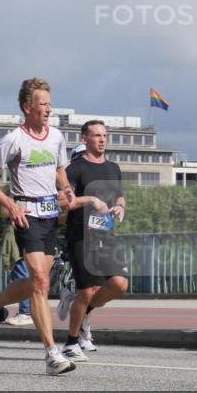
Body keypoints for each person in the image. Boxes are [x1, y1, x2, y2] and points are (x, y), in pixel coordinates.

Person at [0, 78, 77, 375]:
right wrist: (10, 205)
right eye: (43, 104)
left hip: (50, 215)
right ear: (27, 107)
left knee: (39, 280)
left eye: (49, 102)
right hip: (26, 215)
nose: (49, 108)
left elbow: (59, 169)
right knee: (41, 283)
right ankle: (51, 354)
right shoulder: (13, 140)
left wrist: (67, 188)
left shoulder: (56, 136)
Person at [58, 121, 129, 361]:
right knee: (86, 291)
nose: (102, 139)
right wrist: (89, 200)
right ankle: (70, 342)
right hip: (81, 236)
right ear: (84, 138)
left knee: (120, 284)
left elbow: (119, 196)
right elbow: (63, 201)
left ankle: (85, 313)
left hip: (106, 234)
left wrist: (119, 207)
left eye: (105, 135)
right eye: (97, 135)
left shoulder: (113, 168)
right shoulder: (74, 169)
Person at [1, 211, 33, 326]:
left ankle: (26, 312)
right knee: (21, 276)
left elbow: (5, 212)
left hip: (18, 241)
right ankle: (27, 312)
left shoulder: (13, 196)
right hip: (22, 240)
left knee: (21, 276)